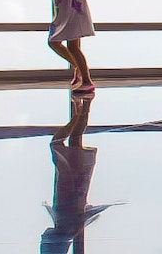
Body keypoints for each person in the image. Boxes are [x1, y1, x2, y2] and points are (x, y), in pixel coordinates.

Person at [40, 95, 116, 254]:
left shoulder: (68, 225)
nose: (42, 235)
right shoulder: (64, 221)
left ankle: (84, 106)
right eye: (44, 240)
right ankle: (81, 108)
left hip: (76, 176)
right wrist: (64, 167)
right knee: (58, 142)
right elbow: (66, 189)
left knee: (74, 139)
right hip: (71, 174)